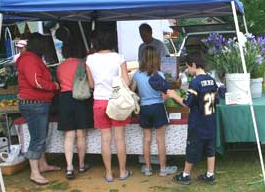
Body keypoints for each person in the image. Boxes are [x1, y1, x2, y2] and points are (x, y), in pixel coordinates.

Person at [86, 30, 132, 182]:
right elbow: (126, 82)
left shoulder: (90, 59)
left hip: (99, 101)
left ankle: (108, 173)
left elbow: (91, 84)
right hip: (116, 100)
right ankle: (123, 171)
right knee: (119, 138)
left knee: (105, 139)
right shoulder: (119, 57)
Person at [166, 52, 218, 185]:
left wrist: (173, 95)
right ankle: (210, 174)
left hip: (198, 122)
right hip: (210, 120)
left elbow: (187, 103)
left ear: (194, 65)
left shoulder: (195, 82)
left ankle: (185, 175)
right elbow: (216, 99)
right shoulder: (212, 80)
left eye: (188, 67)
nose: (187, 70)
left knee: (192, 147)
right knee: (210, 148)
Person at [16, 33, 61, 185]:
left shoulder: (31, 58)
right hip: (34, 103)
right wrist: (53, 86)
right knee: (38, 137)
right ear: (39, 46)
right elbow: (36, 81)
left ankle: (42, 165)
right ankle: (35, 172)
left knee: (41, 135)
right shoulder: (30, 59)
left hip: (36, 102)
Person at [130, 46, 177, 177]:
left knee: (146, 139)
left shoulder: (137, 74)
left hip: (144, 108)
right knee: (160, 140)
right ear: (156, 59)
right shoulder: (159, 75)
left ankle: (148, 168)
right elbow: (164, 96)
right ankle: (163, 169)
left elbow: (132, 91)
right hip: (158, 107)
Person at [56, 28, 93, 180]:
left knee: (69, 135)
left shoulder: (60, 67)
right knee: (81, 134)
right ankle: (82, 165)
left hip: (64, 99)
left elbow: (59, 82)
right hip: (80, 98)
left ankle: (69, 168)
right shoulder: (83, 63)